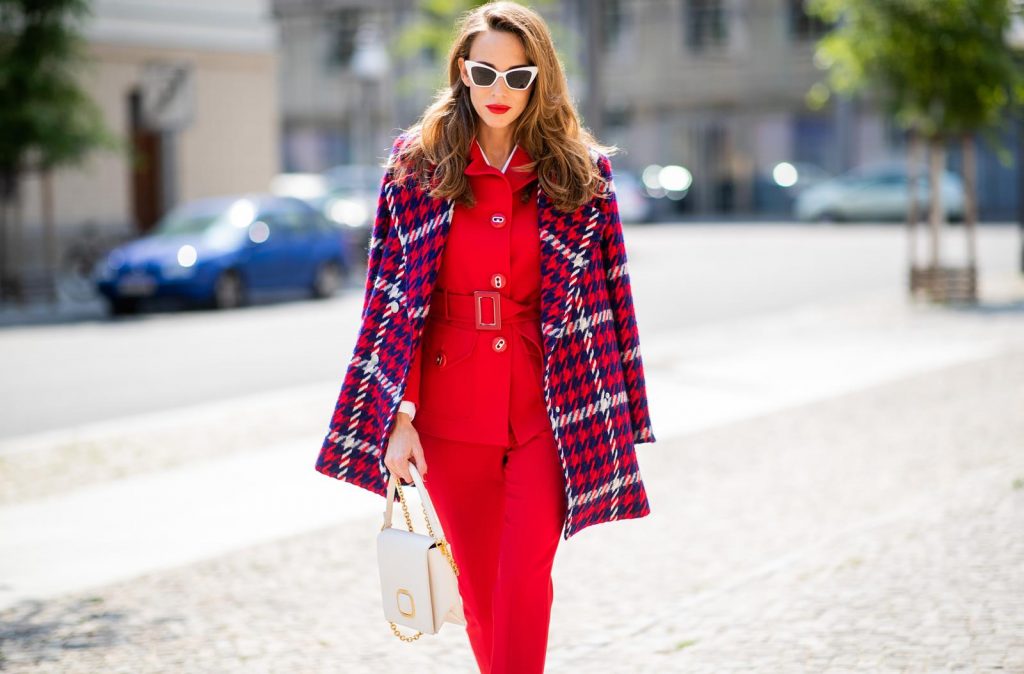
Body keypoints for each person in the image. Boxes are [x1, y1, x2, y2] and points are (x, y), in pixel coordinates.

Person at [314, 3, 656, 673]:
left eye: (518, 75)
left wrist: (622, 410)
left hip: (546, 408)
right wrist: (396, 416)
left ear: (541, 80)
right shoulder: (416, 166)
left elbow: (613, 301)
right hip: (447, 413)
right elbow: (389, 299)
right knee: (478, 592)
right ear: (461, 74)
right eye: (485, 72)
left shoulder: (580, 175)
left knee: (524, 580)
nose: (500, 90)